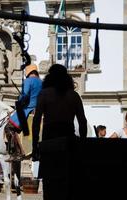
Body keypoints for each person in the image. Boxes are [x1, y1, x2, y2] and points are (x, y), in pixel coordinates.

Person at [32, 64, 87, 200]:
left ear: (49, 77)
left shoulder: (44, 94)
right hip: (68, 140)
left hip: (49, 140)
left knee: (49, 183)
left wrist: (34, 146)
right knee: (68, 182)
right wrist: (83, 144)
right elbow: (82, 122)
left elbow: (36, 121)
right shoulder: (74, 96)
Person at [5, 64, 42, 161]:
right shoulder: (42, 82)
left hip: (28, 109)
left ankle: (17, 153)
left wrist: (20, 101)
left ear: (28, 73)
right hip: (40, 110)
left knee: (9, 127)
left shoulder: (28, 81)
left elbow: (25, 96)